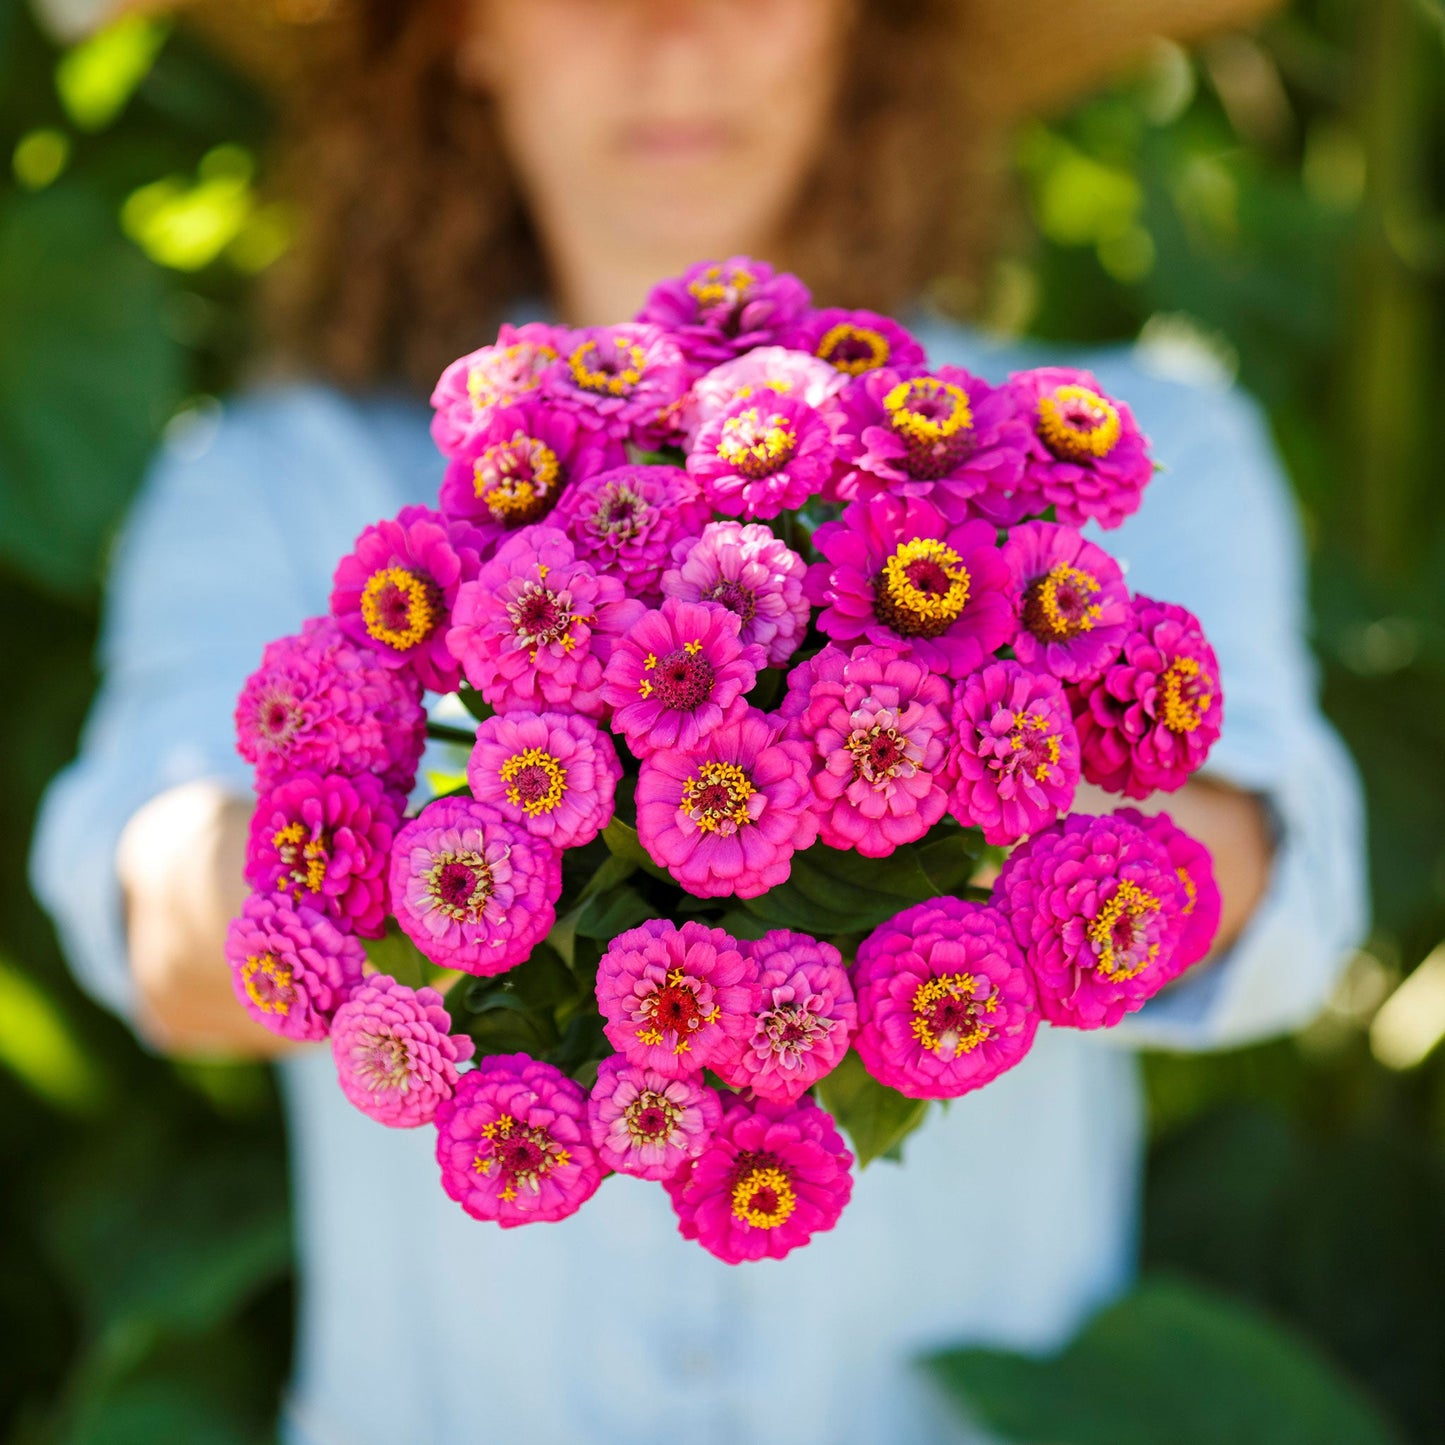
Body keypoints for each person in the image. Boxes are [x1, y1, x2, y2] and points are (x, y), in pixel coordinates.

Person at [32, 1, 1366, 1441]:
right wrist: (532, 822)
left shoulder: (1105, 436)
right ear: (461, 34)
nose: (672, 36)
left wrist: (893, 786)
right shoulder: (270, 479)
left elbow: (1277, 870)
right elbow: (161, 922)